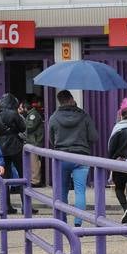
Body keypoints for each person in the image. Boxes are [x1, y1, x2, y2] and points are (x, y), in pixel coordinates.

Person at [47, 90, 98, 226]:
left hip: (61, 157)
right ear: (71, 99)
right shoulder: (84, 116)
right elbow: (94, 137)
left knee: (62, 190)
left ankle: (61, 222)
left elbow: (51, 139)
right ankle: (78, 223)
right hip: (81, 157)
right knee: (80, 191)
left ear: (60, 101)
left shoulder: (54, 117)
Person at [0, 94, 27, 199]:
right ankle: (25, 204)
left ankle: (7, 206)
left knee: (4, 178)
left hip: (0, 148)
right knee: (22, 176)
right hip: (15, 148)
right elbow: (23, 128)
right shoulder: (14, 114)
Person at [23, 99, 45, 187]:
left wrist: (21, 123)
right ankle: (33, 179)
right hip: (31, 141)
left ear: (25, 107)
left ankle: (36, 181)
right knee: (32, 162)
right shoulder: (30, 114)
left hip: (34, 141)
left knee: (35, 162)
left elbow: (30, 126)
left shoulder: (33, 115)